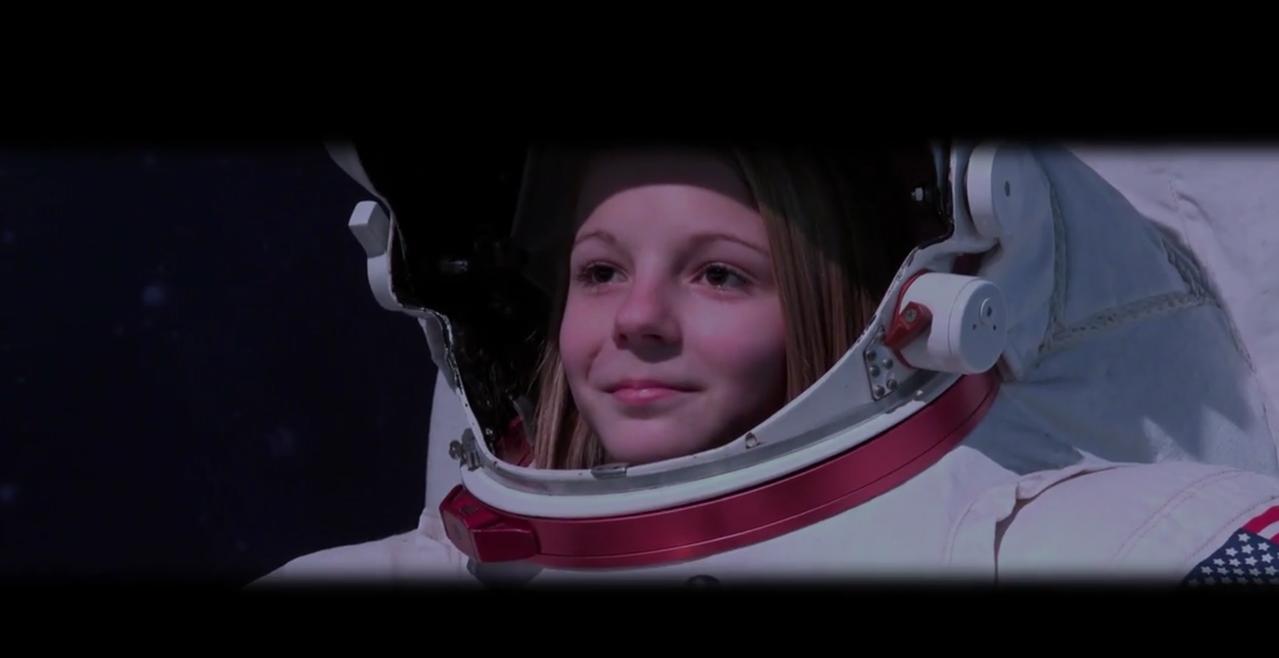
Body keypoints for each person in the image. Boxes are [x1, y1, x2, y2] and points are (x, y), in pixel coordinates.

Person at [257, 140, 1279, 586]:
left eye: (718, 276)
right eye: (600, 270)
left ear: (841, 313)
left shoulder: (1125, 546)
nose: (639, 319)